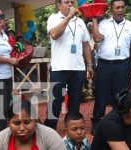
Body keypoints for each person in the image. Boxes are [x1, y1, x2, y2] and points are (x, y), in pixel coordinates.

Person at [91, 0, 131, 134]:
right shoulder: (104, 24)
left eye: (122, 7)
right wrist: (95, 21)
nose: (120, 10)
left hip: (123, 65)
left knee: (122, 96)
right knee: (101, 94)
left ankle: (119, 122)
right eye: (117, 8)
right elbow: (97, 38)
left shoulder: (130, 25)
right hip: (104, 65)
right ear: (111, 10)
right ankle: (97, 122)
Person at [45, 0, 93, 129]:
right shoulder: (54, 18)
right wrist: (69, 17)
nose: (70, 4)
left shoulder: (80, 22)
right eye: (66, 2)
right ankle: (49, 128)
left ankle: (71, 127)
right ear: (59, 5)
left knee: (75, 101)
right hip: (59, 68)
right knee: (55, 101)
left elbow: (86, 44)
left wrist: (89, 64)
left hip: (78, 68)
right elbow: (54, 34)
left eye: (72, 1)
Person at [0, 99, 67, 150]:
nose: (22, 128)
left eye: (27, 122)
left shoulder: (50, 136)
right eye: (16, 123)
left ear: (35, 120)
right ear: (8, 122)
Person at [0, 8, 19, 139]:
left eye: (1, 15)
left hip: (7, 77)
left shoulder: (4, 34)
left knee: (5, 110)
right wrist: (9, 60)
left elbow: (9, 51)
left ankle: (2, 139)